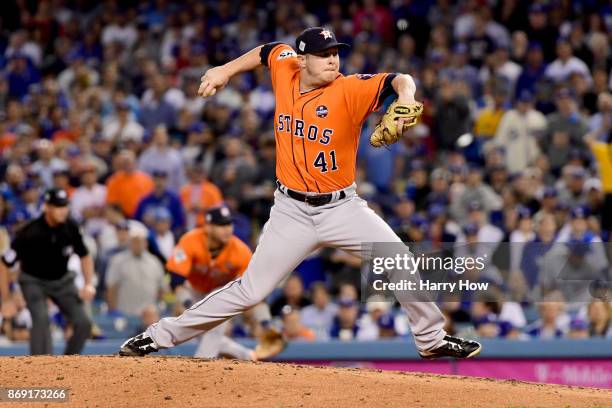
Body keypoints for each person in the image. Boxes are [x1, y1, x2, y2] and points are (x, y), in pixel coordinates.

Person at [120, 27, 481, 359]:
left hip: (342, 208)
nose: (332, 61)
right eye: (324, 55)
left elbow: (401, 79)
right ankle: (158, 336)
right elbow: (267, 50)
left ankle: (431, 339)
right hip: (290, 210)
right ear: (303, 59)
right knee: (250, 291)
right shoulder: (285, 68)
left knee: (397, 258)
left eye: (335, 53)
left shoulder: (349, 89)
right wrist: (224, 70)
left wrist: (405, 97)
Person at [129, 205, 277, 360]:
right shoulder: (191, 240)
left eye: (228, 224)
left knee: (216, 318)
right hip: (192, 291)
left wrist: (265, 323)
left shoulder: (240, 250)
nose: (227, 229)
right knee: (199, 331)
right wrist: (188, 306)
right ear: (208, 227)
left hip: (221, 293)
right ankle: (246, 355)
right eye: (221, 225)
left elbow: (254, 289)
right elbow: (176, 280)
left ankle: (203, 362)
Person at [0, 188, 94, 355]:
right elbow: (4, 263)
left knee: (83, 323)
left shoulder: (71, 226)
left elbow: (85, 256)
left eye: (64, 206)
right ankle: (41, 366)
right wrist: (6, 299)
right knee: (41, 320)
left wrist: (88, 283)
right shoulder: (28, 232)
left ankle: (69, 362)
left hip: (62, 281)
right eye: (57, 206)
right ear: (47, 207)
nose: (62, 210)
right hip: (33, 281)